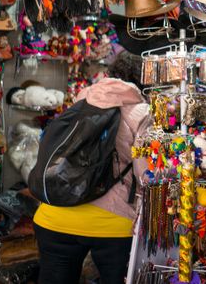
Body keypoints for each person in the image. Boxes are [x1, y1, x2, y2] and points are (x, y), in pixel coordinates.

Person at [33, 52, 150, 284]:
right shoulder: (142, 113)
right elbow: (144, 174)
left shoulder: (80, 102)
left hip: (54, 214)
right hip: (113, 225)